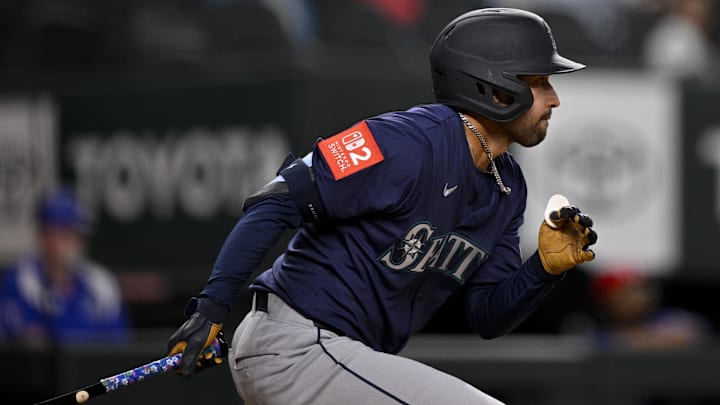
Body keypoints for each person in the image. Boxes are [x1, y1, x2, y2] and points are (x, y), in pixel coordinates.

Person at [167, 8, 597, 405]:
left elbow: (487, 317)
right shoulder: (405, 141)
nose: (554, 99)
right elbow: (274, 203)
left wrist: (542, 268)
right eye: (539, 82)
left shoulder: (508, 187)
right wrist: (211, 308)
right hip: (298, 344)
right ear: (496, 87)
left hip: (343, 355)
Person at [0, 189, 129, 347]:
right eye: (64, 234)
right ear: (44, 235)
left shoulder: (101, 284)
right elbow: (20, 346)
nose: (73, 244)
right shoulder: (21, 282)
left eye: (77, 235)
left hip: (97, 370)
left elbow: (118, 347)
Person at [589, 267, 709, 350]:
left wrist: (646, 339)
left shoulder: (664, 318)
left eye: (639, 290)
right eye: (624, 294)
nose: (635, 299)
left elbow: (696, 330)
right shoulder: (598, 332)